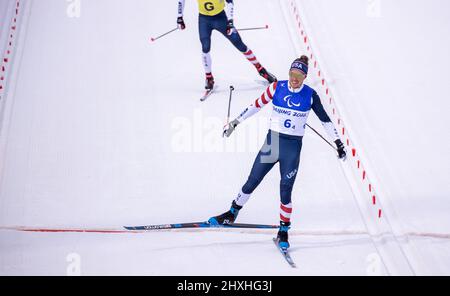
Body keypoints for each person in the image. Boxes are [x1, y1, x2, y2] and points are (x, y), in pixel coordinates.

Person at [208, 55, 347, 250]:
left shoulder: (310, 95)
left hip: (292, 149)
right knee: (252, 180)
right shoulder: (277, 88)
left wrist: (338, 142)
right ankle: (232, 212)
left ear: (305, 77)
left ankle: (283, 231)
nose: (294, 78)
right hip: (272, 143)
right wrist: (235, 123)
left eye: (299, 75)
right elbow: (256, 105)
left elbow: (325, 120)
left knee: (285, 191)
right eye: (292, 73)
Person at [176, 0, 277, 90]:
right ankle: (209, 77)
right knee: (205, 47)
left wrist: (230, 21)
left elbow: (230, 2)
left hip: (220, 19)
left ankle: (261, 69)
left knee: (239, 44)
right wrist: (179, 17)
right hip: (204, 20)